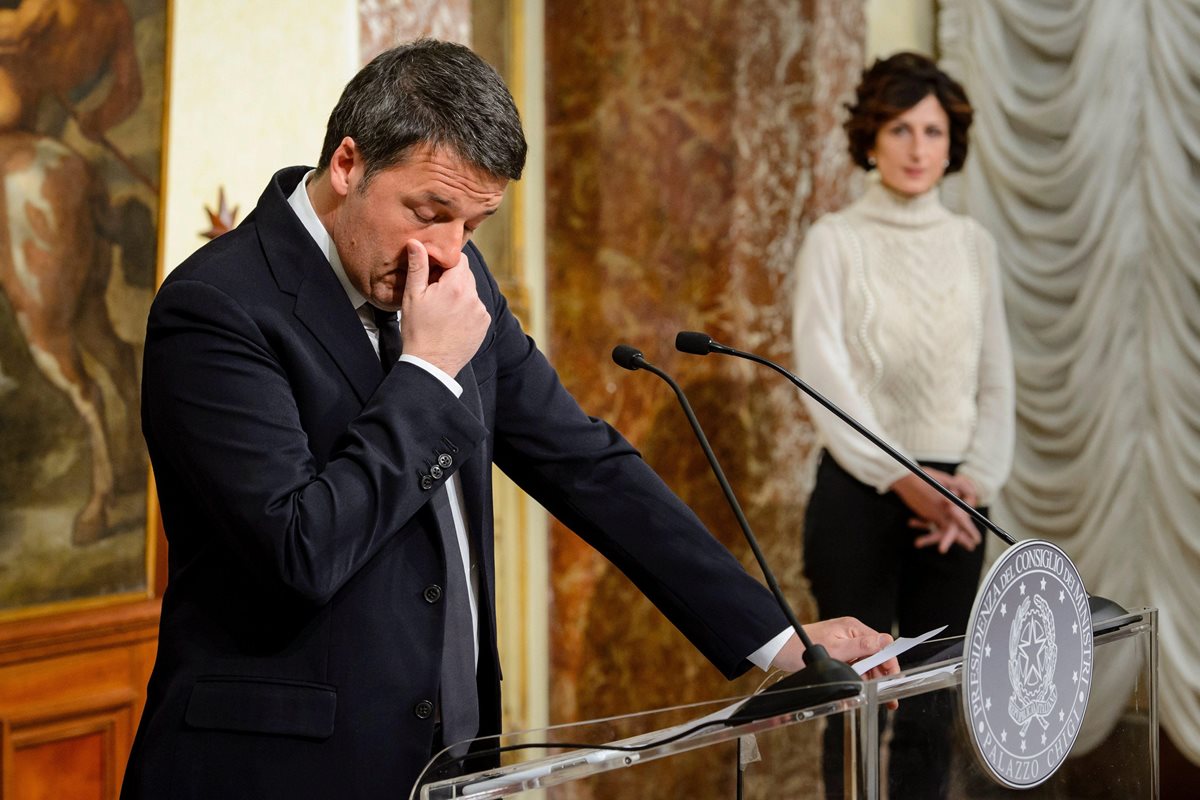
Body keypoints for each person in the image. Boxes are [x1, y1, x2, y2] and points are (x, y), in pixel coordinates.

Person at [121, 39, 899, 799]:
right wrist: (426, 373)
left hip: (451, 760)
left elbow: (584, 465)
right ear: (348, 164)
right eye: (429, 211)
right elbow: (298, 549)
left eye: (475, 223)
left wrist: (778, 639)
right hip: (275, 770)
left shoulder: (460, 278)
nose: (448, 250)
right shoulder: (217, 307)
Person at [792, 52, 1014, 798]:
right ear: (870, 139)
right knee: (849, 698)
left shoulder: (974, 246)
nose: (918, 147)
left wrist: (972, 487)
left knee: (932, 701)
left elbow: (996, 381)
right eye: (900, 128)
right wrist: (902, 479)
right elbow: (825, 383)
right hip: (860, 496)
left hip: (957, 503)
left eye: (933, 130)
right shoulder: (836, 240)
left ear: (952, 143)